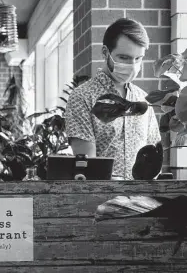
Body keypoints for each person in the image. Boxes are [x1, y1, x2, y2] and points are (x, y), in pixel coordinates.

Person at [65, 18, 161, 180]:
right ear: (105, 53)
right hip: (101, 198)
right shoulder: (82, 97)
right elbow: (88, 167)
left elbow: (154, 157)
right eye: (124, 57)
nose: (132, 65)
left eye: (138, 59)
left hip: (141, 198)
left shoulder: (143, 99)